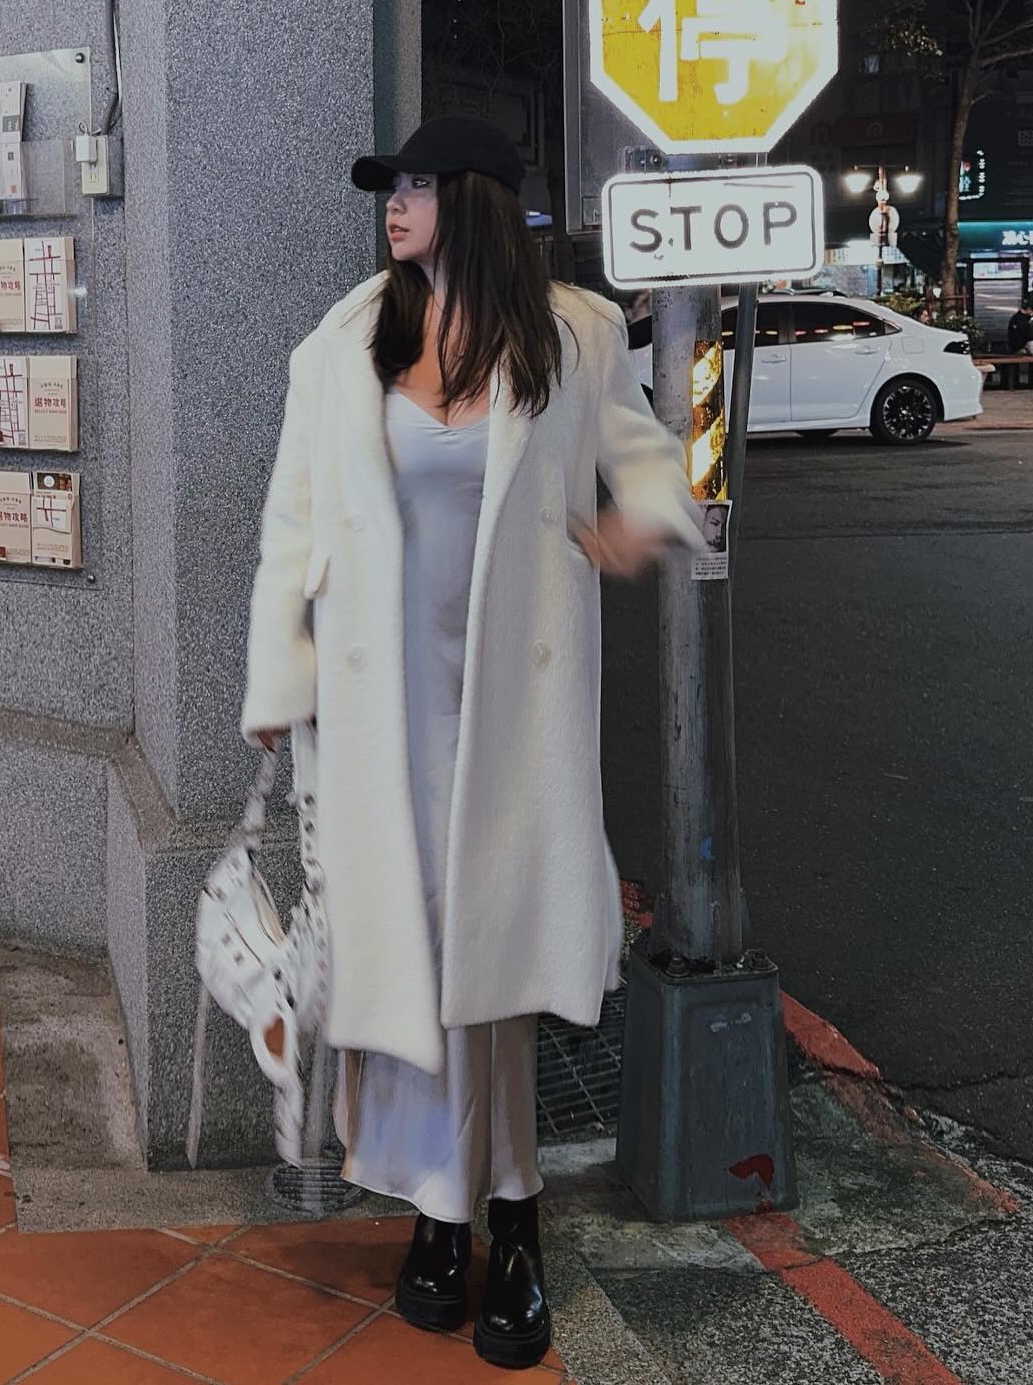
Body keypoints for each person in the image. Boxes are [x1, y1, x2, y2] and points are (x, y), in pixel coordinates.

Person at [242, 115, 703, 1372]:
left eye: (416, 186)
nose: (393, 205)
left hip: (513, 714)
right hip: (379, 712)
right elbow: (293, 523)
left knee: (487, 981)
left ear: (478, 202)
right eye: (390, 187)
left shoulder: (576, 336)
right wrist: (277, 675)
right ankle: (459, 1218)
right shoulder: (344, 345)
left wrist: (638, 524)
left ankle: (500, 1223)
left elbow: (650, 457)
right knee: (415, 966)